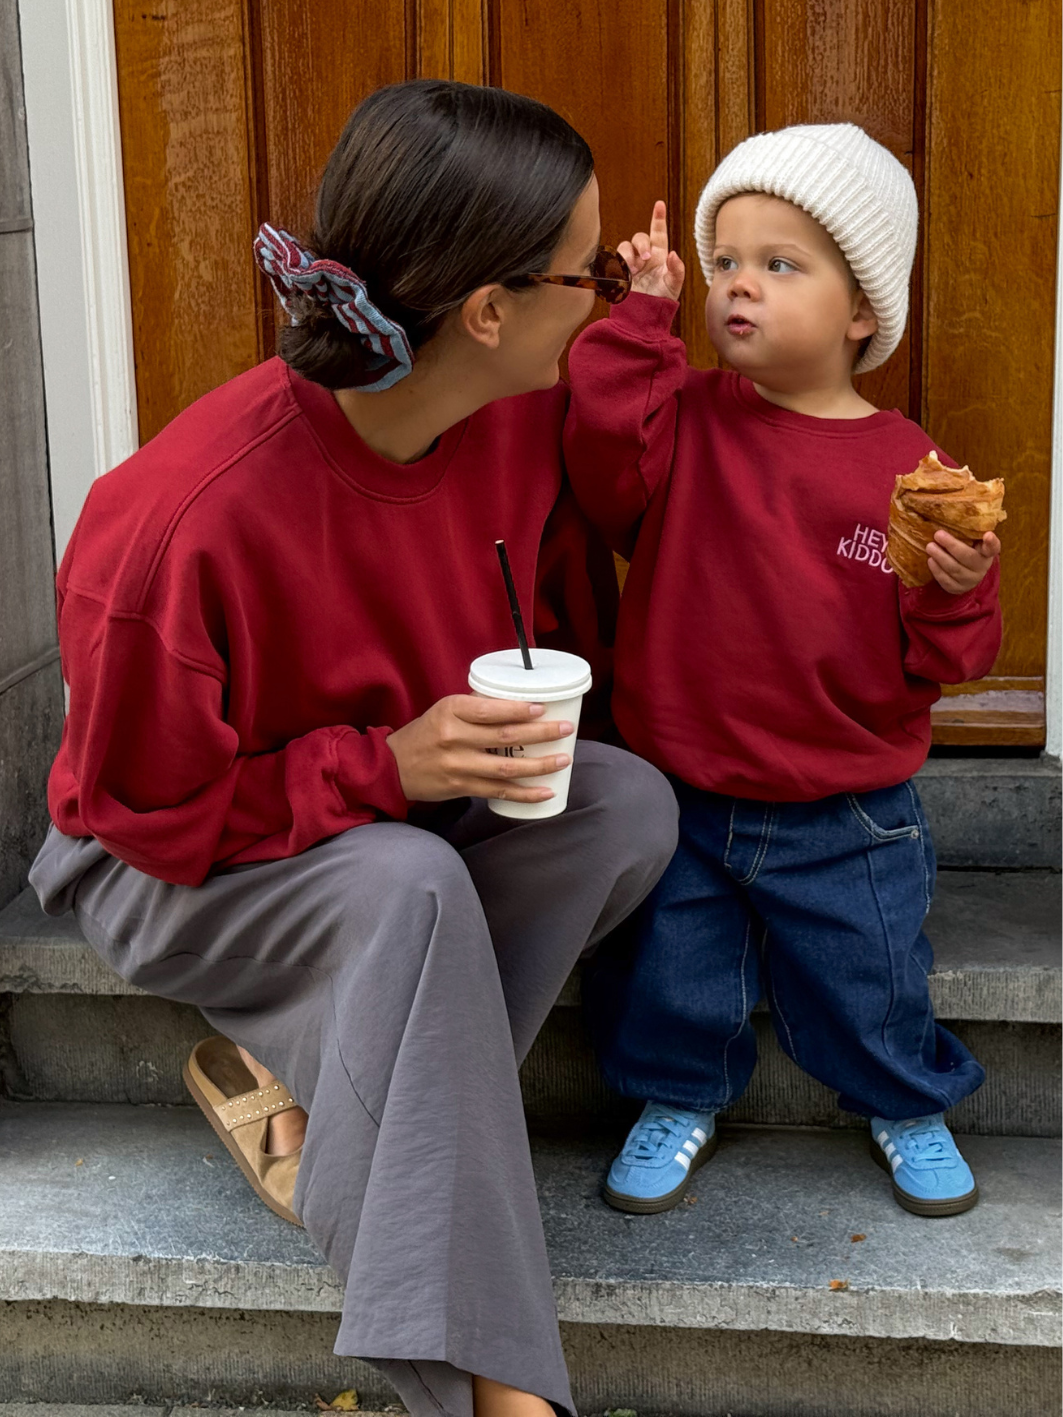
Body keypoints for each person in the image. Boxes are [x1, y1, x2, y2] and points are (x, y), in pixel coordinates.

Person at [28, 80, 679, 1417]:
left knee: (619, 807)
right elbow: (150, 814)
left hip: (386, 818)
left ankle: (331, 1120)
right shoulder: (177, 522)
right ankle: (496, 1389)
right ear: (489, 311)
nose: (606, 297)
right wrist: (386, 770)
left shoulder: (515, 419)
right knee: (409, 884)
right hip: (168, 863)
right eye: (591, 272)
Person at [563, 124, 1002, 1220]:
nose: (738, 287)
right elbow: (604, 469)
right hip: (680, 783)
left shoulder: (912, 472)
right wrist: (641, 321)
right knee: (670, 969)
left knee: (873, 973)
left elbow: (947, 661)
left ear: (861, 312)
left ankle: (903, 1100)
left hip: (845, 800)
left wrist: (954, 589)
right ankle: (673, 1095)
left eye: (779, 263)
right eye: (725, 262)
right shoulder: (687, 419)